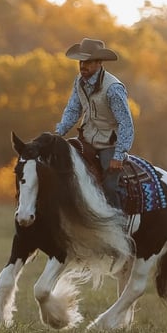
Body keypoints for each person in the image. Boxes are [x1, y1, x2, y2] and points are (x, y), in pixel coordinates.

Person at [54, 38, 134, 210]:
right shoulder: (79, 82)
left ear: (99, 63)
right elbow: (73, 110)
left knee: (110, 187)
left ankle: (117, 224)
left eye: (88, 62)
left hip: (109, 144)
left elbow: (126, 123)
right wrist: (58, 134)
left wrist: (118, 155)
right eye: (81, 61)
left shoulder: (113, 88)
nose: (83, 66)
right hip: (86, 138)